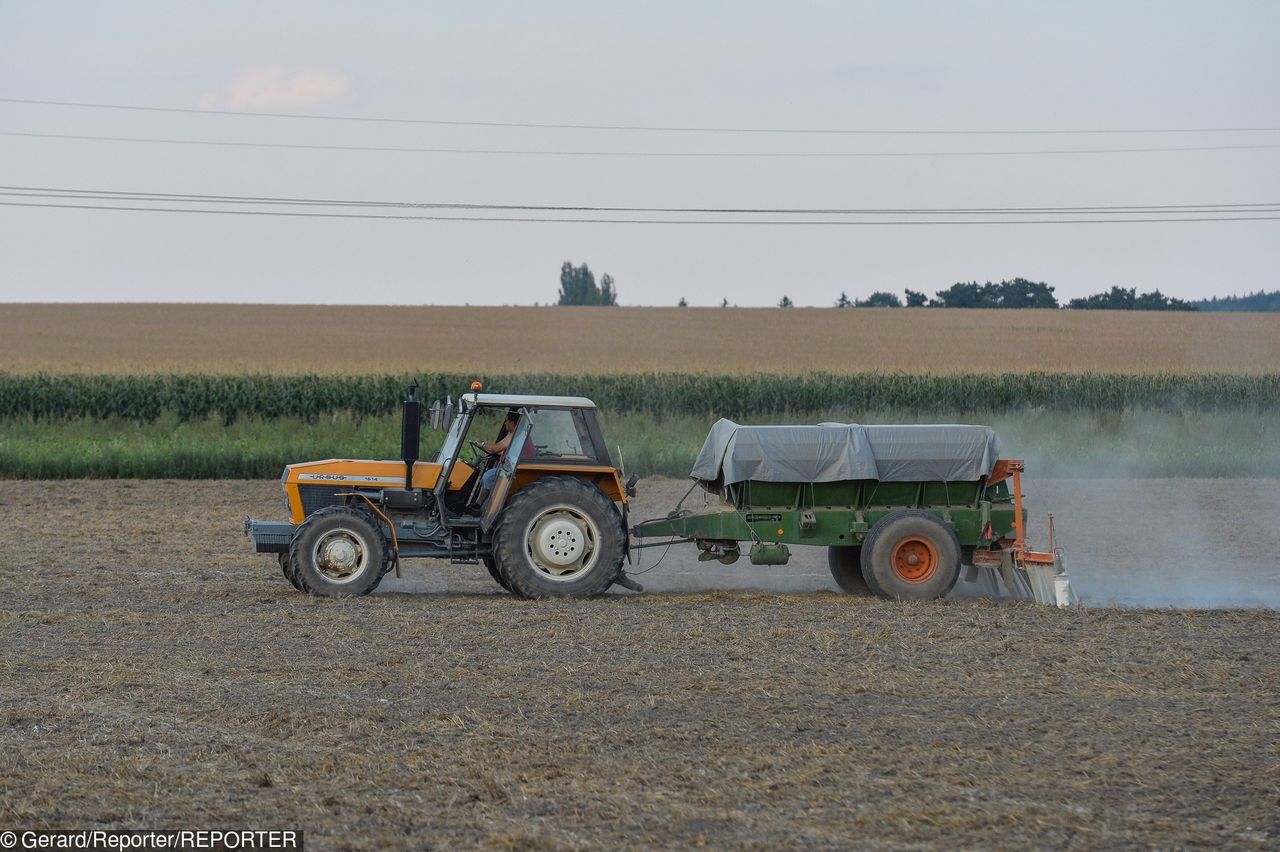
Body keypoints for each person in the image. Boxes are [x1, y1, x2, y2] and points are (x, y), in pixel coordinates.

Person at [477, 411, 520, 497]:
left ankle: (482, 504)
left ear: (512, 423)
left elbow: (495, 448)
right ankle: (479, 504)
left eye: (507, 421)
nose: (505, 423)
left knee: (488, 477)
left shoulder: (516, 435)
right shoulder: (511, 434)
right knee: (485, 478)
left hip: (512, 470)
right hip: (509, 466)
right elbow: (501, 450)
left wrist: (482, 444)